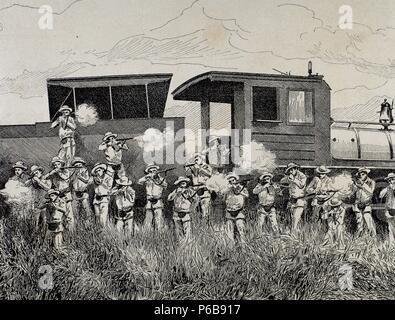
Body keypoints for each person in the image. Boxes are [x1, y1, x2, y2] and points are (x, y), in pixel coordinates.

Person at [43, 156, 75, 231]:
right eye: (54, 165)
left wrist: (58, 172)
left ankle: (71, 232)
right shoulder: (53, 175)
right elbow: (46, 180)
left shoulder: (66, 171)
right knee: (58, 216)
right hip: (58, 198)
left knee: (69, 215)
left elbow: (66, 178)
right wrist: (51, 173)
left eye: (58, 164)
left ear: (61, 164)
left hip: (66, 196)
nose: (56, 166)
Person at [138, 164, 167, 232]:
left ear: (157, 171)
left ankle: (160, 234)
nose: (152, 172)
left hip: (157, 201)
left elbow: (165, 185)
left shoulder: (161, 179)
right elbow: (139, 181)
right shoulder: (147, 179)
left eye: (154, 170)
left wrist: (157, 178)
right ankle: (147, 234)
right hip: (149, 202)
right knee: (148, 220)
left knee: (159, 220)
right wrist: (147, 177)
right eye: (150, 171)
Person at [185, 153, 213, 224]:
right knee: (193, 211)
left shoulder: (206, 166)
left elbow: (209, 174)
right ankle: (196, 227)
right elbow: (187, 174)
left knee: (205, 211)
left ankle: (205, 227)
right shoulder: (193, 168)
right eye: (195, 159)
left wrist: (200, 168)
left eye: (197, 159)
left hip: (204, 190)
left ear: (202, 159)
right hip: (195, 191)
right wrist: (188, 166)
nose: (196, 161)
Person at [167, 176, 196, 242]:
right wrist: (176, 192)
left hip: (186, 212)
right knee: (178, 229)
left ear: (186, 183)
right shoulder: (176, 191)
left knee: (187, 229)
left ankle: (188, 243)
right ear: (179, 184)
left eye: (184, 182)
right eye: (181, 183)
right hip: (176, 212)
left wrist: (192, 207)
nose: (183, 184)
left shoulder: (190, 191)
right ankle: (180, 242)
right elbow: (169, 198)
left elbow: (195, 199)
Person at [280, 163, 307, 233]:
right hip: (292, 200)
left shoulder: (302, 176)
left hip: (299, 200)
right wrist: (287, 177)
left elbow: (301, 185)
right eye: (289, 170)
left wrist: (294, 179)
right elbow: (282, 181)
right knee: (291, 218)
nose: (290, 172)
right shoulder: (290, 176)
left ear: (296, 169)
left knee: (296, 218)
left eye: (291, 170)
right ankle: (293, 232)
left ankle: (294, 234)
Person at [223, 174, 249, 245]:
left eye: (233, 180)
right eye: (230, 181)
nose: (232, 182)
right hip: (229, 212)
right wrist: (229, 188)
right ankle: (231, 247)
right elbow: (223, 197)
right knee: (229, 231)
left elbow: (247, 195)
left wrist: (238, 189)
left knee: (241, 230)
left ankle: (244, 247)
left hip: (239, 212)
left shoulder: (241, 188)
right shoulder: (227, 189)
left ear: (236, 180)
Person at [351, 167, 376, 238]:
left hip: (366, 204)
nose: (361, 176)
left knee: (369, 221)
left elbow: (371, 193)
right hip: (358, 204)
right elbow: (353, 193)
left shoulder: (371, 182)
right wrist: (355, 185)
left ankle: (373, 237)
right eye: (360, 175)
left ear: (366, 174)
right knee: (359, 222)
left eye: (363, 174)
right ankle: (359, 238)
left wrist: (362, 186)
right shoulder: (357, 183)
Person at [25, 165, 51, 230]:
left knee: (45, 221)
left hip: (45, 203)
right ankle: (35, 235)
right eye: (34, 174)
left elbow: (47, 188)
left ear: (40, 172)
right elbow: (25, 184)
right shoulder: (34, 180)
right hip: (36, 203)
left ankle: (44, 237)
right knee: (35, 222)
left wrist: (38, 181)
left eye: (36, 173)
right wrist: (31, 179)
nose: (35, 175)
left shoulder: (47, 180)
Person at [90, 163, 115, 228]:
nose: (98, 172)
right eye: (96, 171)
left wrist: (102, 181)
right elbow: (87, 181)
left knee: (103, 218)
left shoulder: (108, 177)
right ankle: (99, 233)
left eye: (99, 170)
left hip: (104, 199)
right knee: (97, 217)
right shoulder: (94, 178)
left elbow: (109, 187)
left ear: (103, 170)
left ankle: (104, 232)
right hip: (96, 199)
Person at [70, 157, 92, 221]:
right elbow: (70, 181)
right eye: (76, 165)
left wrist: (80, 177)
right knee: (75, 210)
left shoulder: (85, 171)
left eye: (80, 165)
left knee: (86, 208)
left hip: (83, 192)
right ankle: (77, 223)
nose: (78, 166)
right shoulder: (72, 173)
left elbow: (86, 180)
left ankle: (89, 222)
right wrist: (74, 174)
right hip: (75, 193)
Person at [379, 172, 395, 246]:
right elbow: (381, 195)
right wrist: (388, 189)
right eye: (390, 180)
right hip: (390, 210)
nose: (392, 181)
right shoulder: (388, 188)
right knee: (391, 229)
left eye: (393, 179)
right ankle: (392, 245)